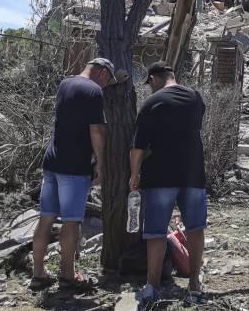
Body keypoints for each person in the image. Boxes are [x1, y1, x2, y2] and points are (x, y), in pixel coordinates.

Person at [30, 58, 114, 292]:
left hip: (52, 160)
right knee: (71, 221)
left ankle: (38, 274)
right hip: (75, 166)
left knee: (46, 218)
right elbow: (97, 130)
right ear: (102, 72)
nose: (106, 84)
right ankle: (67, 275)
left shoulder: (65, 84)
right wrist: (101, 162)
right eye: (108, 78)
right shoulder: (94, 90)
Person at [131, 62, 208, 306]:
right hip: (193, 174)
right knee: (195, 228)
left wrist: (134, 175)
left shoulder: (152, 103)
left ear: (154, 78)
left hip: (160, 176)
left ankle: (152, 286)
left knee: (155, 232)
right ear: (173, 76)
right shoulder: (196, 99)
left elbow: (138, 147)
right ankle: (194, 284)